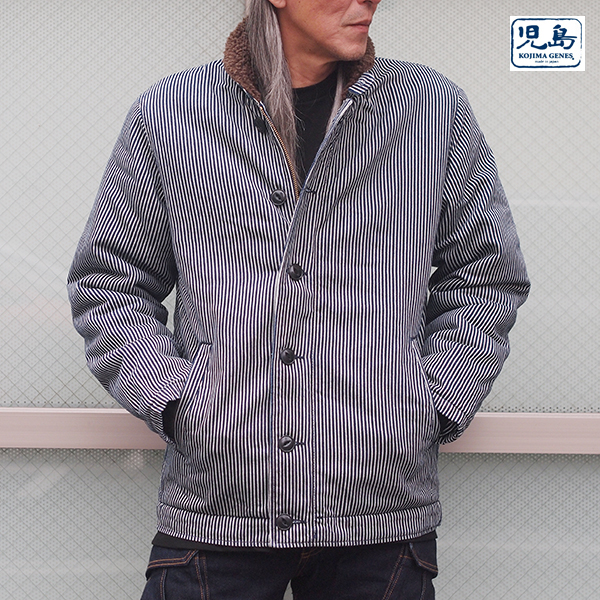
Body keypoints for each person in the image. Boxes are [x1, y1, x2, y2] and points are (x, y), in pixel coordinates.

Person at [67, 0, 530, 598]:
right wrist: (185, 406)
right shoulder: (174, 113)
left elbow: (488, 274)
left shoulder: (429, 110)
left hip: (379, 515)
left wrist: (428, 404)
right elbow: (109, 284)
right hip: (217, 512)